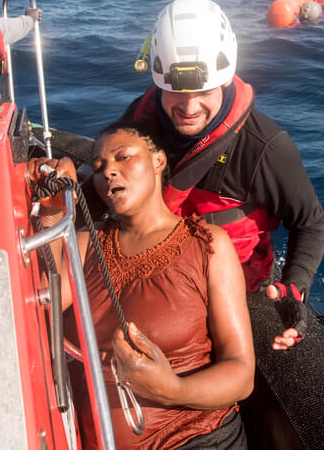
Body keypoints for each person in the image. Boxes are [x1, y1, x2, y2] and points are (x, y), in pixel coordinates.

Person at [30, 121, 255, 449]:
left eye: (123, 157)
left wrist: (172, 389)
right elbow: (41, 308)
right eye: (98, 167)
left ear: (158, 161)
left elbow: (241, 373)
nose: (109, 172)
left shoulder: (206, 244)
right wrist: (51, 216)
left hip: (197, 438)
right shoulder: (84, 245)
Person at [121, 0, 324, 349]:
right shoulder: (140, 123)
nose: (188, 107)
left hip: (235, 289)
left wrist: (296, 285)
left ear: (225, 77)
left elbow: (310, 222)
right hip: (154, 274)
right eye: (174, 91)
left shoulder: (266, 146)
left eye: (203, 90)